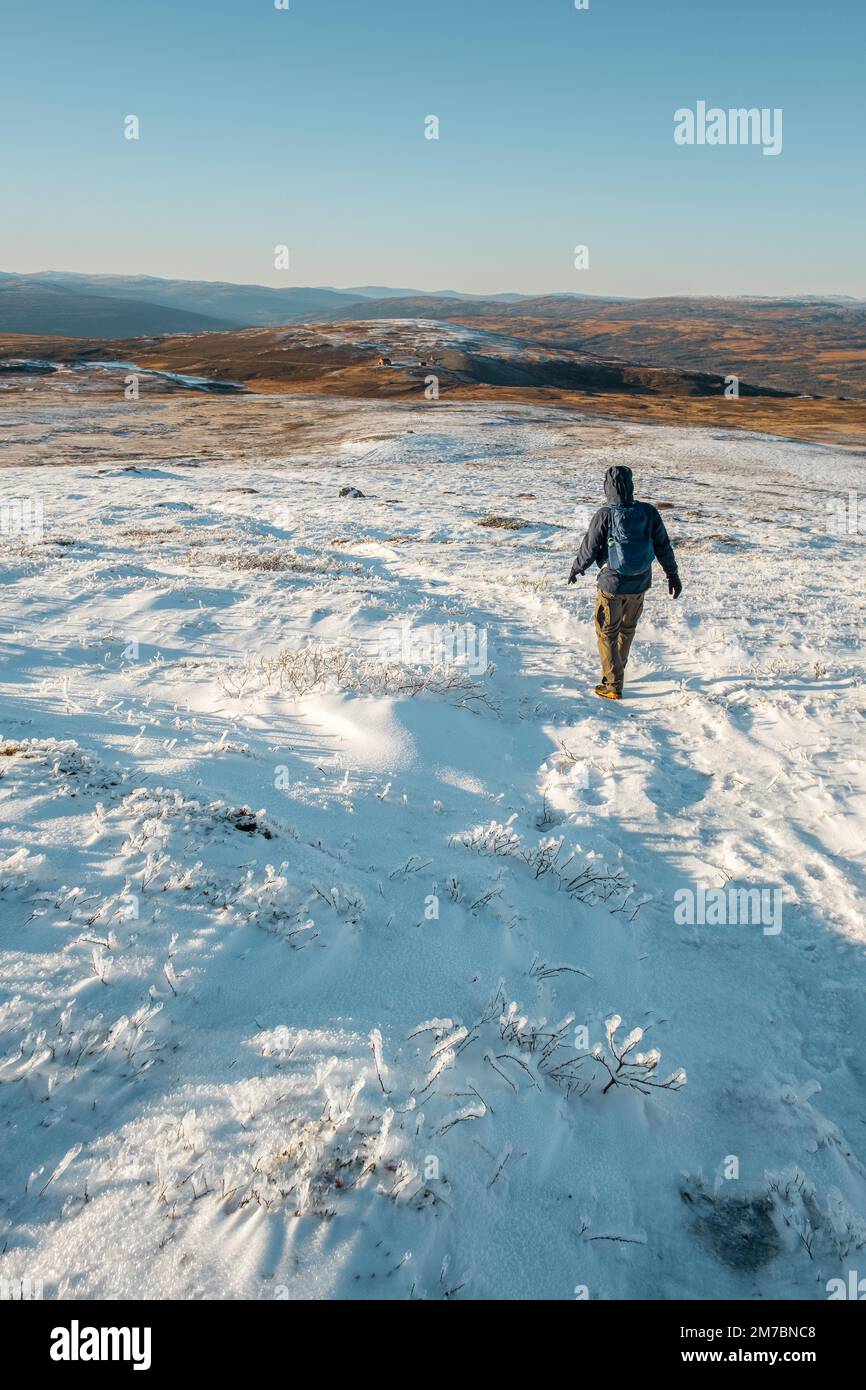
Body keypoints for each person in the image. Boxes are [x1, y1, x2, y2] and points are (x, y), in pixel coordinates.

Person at [568, 464, 681, 700]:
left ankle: (612, 684)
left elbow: (589, 548)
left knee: (607, 633)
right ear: (630, 485)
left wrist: (577, 569)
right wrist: (672, 574)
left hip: (612, 586)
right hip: (639, 585)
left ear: (608, 487)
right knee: (626, 630)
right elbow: (663, 546)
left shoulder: (605, 514)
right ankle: (617, 674)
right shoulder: (648, 512)